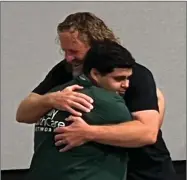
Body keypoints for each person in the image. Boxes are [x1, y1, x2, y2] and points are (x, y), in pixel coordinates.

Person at [16, 12, 176, 180]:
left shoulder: (132, 75)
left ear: (97, 47)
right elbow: (23, 114)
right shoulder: (66, 70)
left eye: (74, 51)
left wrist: (88, 132)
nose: (69, 58)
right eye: (64, 51)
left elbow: (147, 133)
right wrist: (51, 99)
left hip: (146, 170)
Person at [26, 41, 135, 180]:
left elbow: (23, 115)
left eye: (128, 78)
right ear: (95, 74)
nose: (126, 85)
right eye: (119, 79)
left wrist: (88, 132)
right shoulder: (107, 101)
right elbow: (143, 136)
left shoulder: (55, 94)